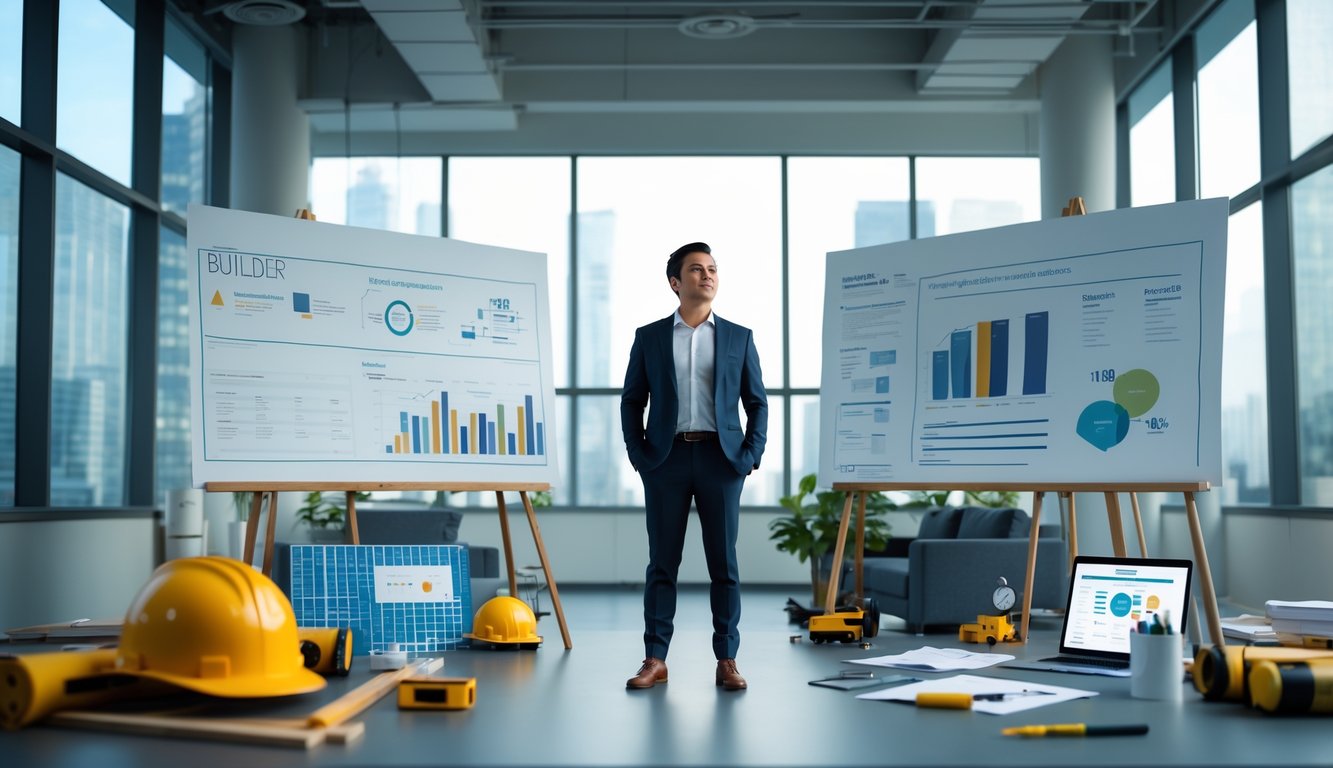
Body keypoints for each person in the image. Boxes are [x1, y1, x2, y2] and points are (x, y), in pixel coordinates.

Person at [620, 241, 768, 691]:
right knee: (662, 563)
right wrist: (641, 456)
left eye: (713, 269)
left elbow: (756, 402)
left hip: (720, 461)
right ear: (675, 282)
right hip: (665, 460)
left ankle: (727, 660)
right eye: (696, 270)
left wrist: (748, 456)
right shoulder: (649, 337)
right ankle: (655, 659)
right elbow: (632, 401)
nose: (707, 276)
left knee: (724, 564)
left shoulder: (739, 337)